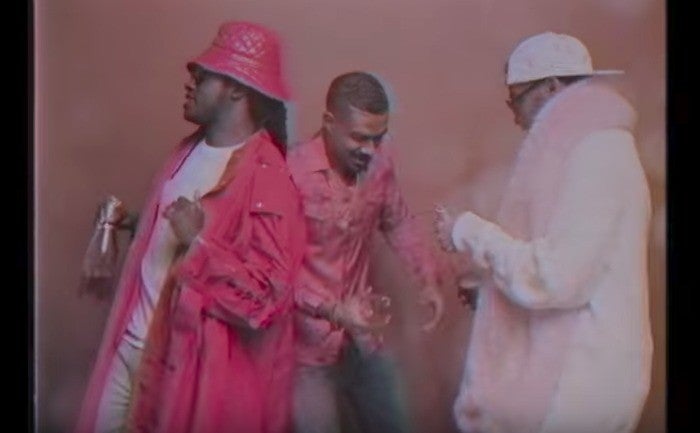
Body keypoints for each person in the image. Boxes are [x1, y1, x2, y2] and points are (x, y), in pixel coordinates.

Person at [75, 21, 305, 433]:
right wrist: (126, 221)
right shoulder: (187, 149)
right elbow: (170, 235)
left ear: (237, 89)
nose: (190, 82)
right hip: (131, 345)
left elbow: (267, 301)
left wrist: (197, 243)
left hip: (179, 370)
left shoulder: (270, 179)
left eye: (203, 76)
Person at [435, 31, 653, 433]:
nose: (514, 115)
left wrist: (470, 231)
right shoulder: (595, 148)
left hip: (577, 385)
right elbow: (574, 263)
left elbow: (555, 279)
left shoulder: (596, 154)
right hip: (589, 372)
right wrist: (494, 290)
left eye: (516, 98)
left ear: (551, 87)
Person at [287, 71, 446, 433]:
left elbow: (398, 221)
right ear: (329, 122)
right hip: (305, 351)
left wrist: (426, 277)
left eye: (378, 137)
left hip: (362, 339)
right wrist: (331, 310)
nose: (370, 150)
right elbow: (275, 271)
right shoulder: (291, 172)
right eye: (359, 137)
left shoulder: (380, 163)